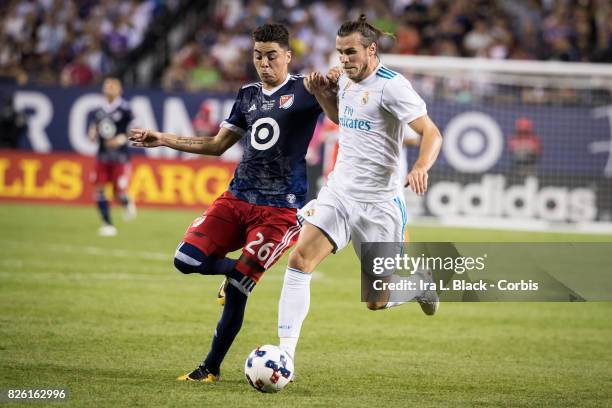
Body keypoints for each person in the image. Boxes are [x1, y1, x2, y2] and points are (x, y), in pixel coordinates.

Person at [129, 24, 328, 383]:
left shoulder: (305, 91)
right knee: (185, 260)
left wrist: (326, 89)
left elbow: (339, 114)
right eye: (257, 56)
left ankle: (210, 368)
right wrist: (164, 140)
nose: (264, 63)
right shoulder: (248, 94)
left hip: (279, 211)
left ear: (287, 56)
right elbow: (217, 144)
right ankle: (237, 271)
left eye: (271, 56)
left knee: (238, 291)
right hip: (236, 199)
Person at [276, 15, 443, 364]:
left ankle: (419, 285)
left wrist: (420, 167)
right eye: (340, 52)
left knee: (376, 301)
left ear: (371, 49)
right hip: (339, 193)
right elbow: (340, 118)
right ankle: (285, 355)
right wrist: (324, 94)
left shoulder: (393, 86)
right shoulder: (345, 79)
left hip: (380, 204)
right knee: (300, 259)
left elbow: (432, 133)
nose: (344, 59)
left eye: (351, 52)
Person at [88, 77, 136, 237]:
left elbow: (133, 129)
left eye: (112, 86)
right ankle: (107, 223)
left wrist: (120, 139)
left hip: (120, 156)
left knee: (119, 192)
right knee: (99, 189)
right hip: (102, 156)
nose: (108, 88)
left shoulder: (126, 109)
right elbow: (95, 125)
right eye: (106, 86)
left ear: (119, 90)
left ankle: (126, 202)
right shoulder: (98, 110)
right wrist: (92, 132)